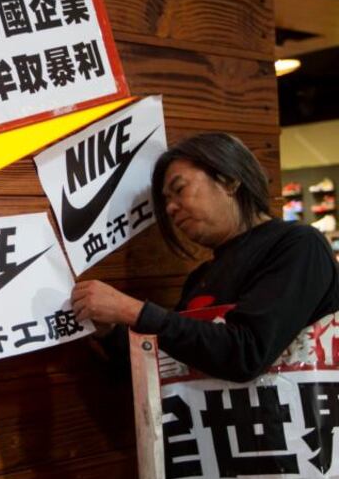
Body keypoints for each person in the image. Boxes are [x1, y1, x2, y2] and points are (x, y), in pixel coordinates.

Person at [71, 133, 339, 382]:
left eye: (180, 189)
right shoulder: (201, 277)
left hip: (292, 429)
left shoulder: (298, 244)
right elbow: (169, 363)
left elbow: (246, 353)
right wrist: (108, 333)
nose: (171, 208)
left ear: (229, 180)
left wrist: (130, 310)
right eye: (165, 201)